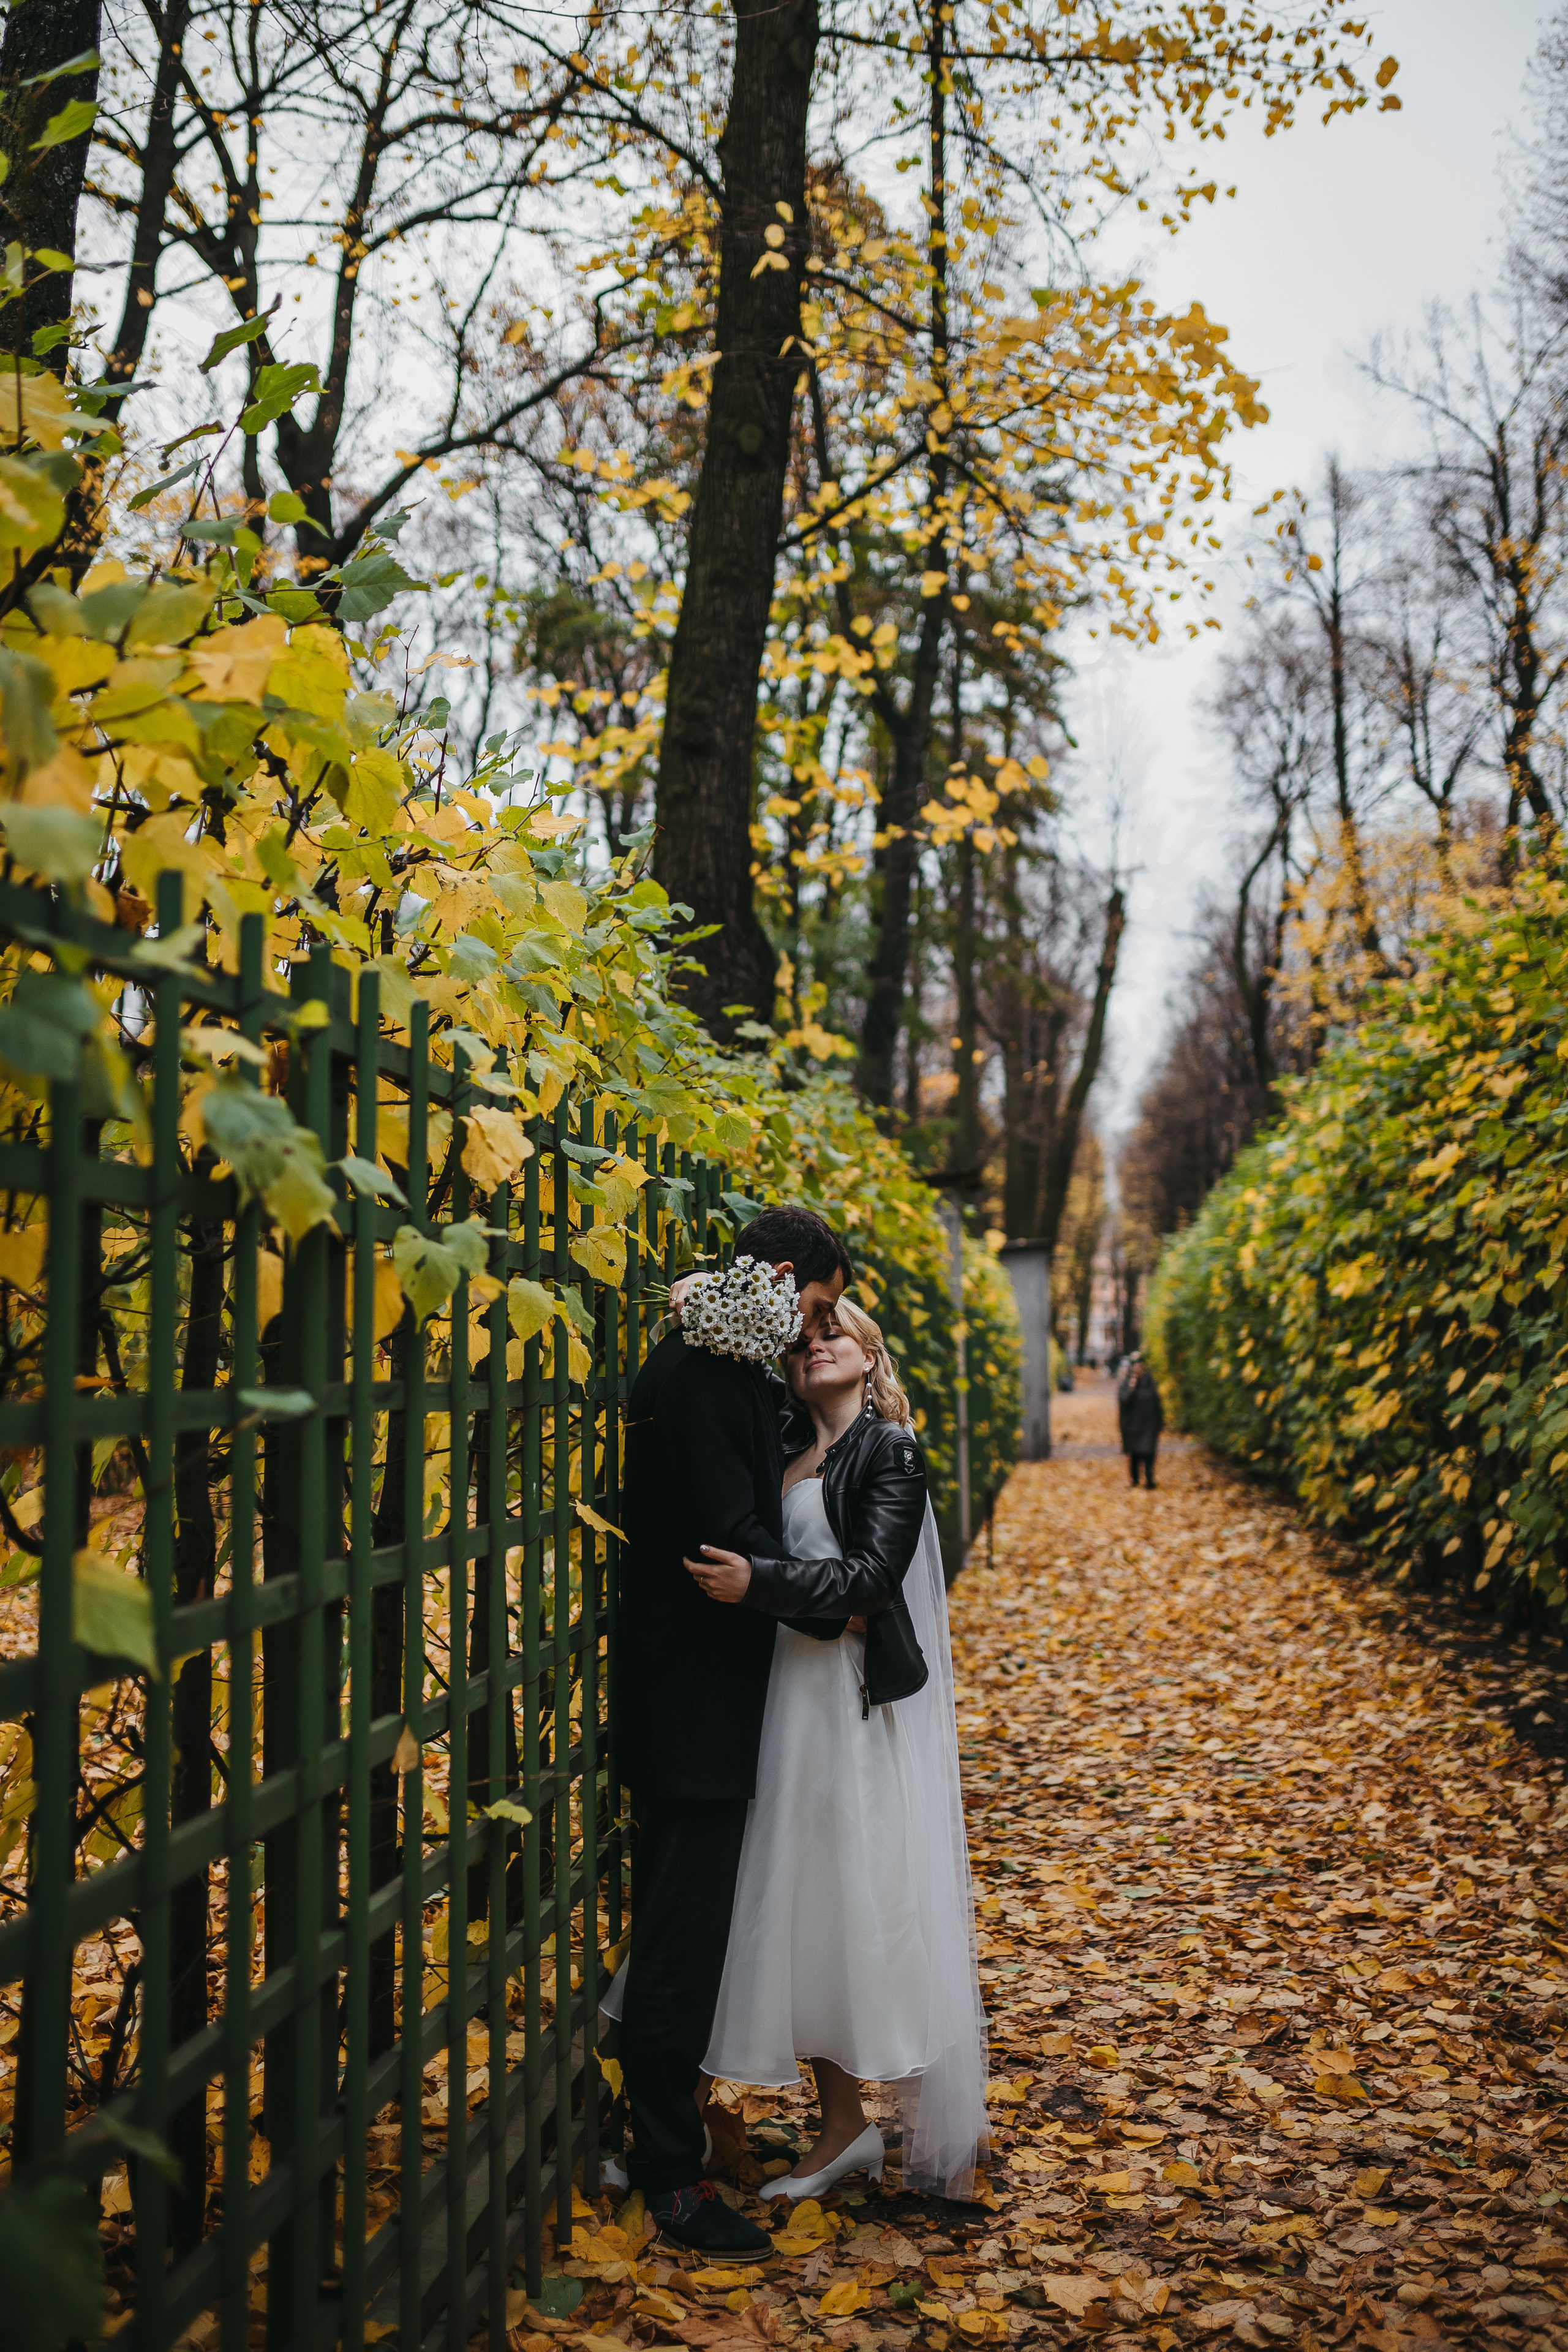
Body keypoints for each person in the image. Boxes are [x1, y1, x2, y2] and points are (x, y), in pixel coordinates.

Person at [614, 1207, 914, 2252]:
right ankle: (668, 2175)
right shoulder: (700, 1377)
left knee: (689, 1938)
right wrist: (824, 1603)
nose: (813, 1330)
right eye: (818, 1304)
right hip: (691, 1705)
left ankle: (664, 2146)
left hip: (715, 1703)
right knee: (678, 1949)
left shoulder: (728, 1364)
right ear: (785, 1276)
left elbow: (797, 1464)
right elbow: (724, 1539)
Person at [683, 1297, 989, 2206]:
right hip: (778, 1704)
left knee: (858, 1902)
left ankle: (894, 2125)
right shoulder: (779, 1445)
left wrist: (758, 1584)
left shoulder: (888, 1448)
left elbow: (869, 1582)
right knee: (798, 1905)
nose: (815, 1344)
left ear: (869, 1353)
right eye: (803, 1336)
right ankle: (835, 2123)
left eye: (835, 1333)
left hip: (846, 1711)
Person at [1118, 1354, 1163, 1488]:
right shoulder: (1127, 1384)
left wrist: (1159, 1422)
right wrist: (1132, 1388)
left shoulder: (1150, 1383)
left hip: (1149, 1425)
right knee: (1135, 1454)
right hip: (1133, 1426)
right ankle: (1135, 1479)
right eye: (1136, 1367)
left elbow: (1157, 1403)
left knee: (1149, 1453)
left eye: (1140, 1367)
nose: (1138, 1370)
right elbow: (1123, 1402)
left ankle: (1149, 1479)